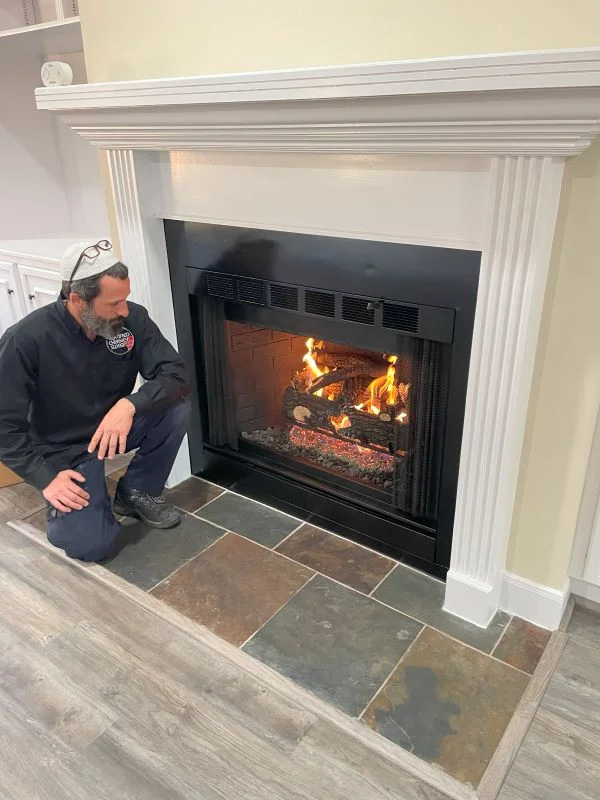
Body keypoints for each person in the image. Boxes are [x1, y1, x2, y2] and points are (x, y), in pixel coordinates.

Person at [0, 240, 190, 562]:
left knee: (176, 404)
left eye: (125, 299)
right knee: (91, 545)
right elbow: (4, 426)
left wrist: (129, 405)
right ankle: (68, 512)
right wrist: (46, 479)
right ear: (77, 299)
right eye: (114, 303)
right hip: (64, 447)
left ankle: (136, 491)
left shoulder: (132, 320)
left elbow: (176, 374)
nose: (124, 310)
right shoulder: (25, 340)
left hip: (113, 429)